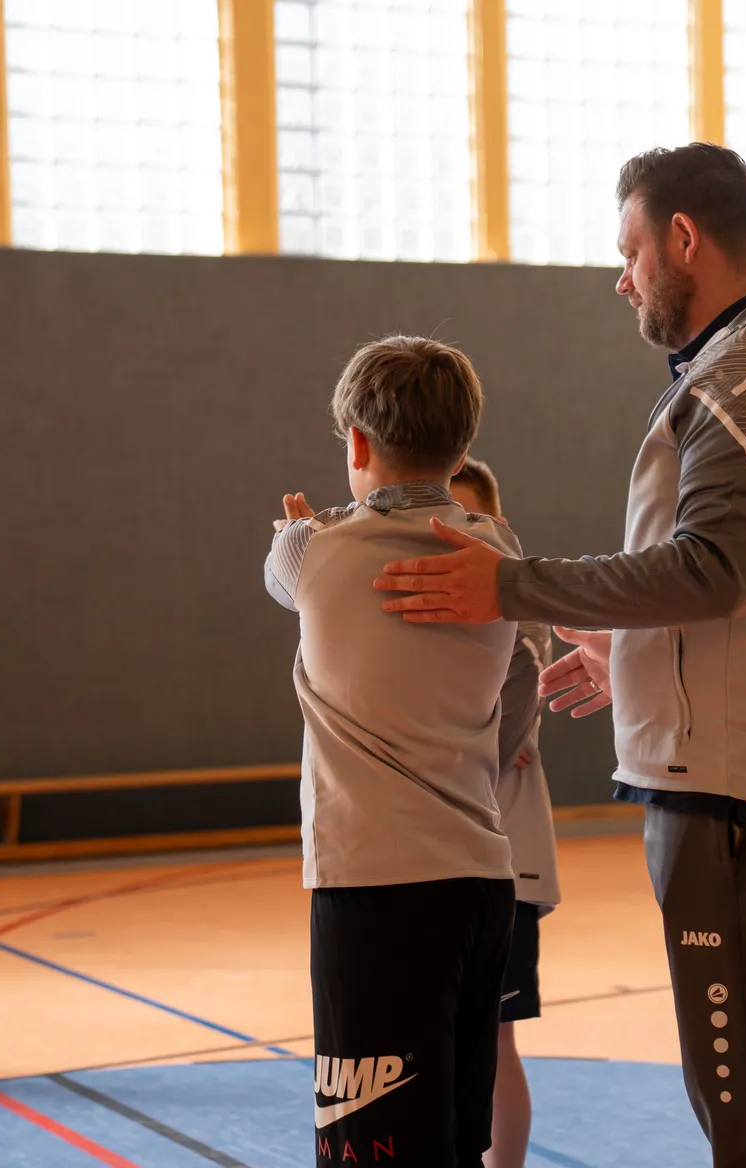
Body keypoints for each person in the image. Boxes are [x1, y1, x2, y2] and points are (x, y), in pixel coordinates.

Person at [373, 144, 746, 1168]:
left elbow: (710, 570)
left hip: (741, 797)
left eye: (631, 250)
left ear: (684, 240)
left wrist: (508, 585)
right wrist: (639, 659)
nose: (623, 278)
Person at [265, 338, 522, 1167]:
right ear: (461, 448)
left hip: (374, 887)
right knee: (454, 1138)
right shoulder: (503, 555)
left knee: (369, 1147)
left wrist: (309, 525)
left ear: (357, 445)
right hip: (481, 883)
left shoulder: (314, 551)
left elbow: (282, 566)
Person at [449, 458, 561, 1168]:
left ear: (496, 525)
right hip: (449, 859)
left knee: (493, 1040)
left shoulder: (514, 620)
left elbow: (491, 743)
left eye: (466, 521)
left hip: (505, 868)